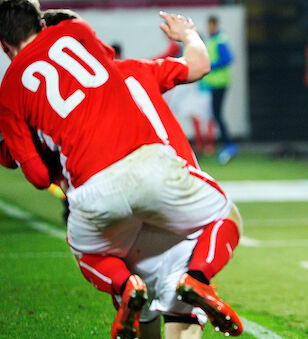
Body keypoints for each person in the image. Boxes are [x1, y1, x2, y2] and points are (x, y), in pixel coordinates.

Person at [0, 1, 242, 337]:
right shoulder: (132, 69)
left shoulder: (17, 93)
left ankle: (124, 285)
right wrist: (188, 34)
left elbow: (30, 168)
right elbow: (198, 65)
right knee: (219, 227)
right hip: (167, 189)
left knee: (105, 269)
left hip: (105, 210)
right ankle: (198, 279)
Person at [202, 15, 237, 164]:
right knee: (215, 114)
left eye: (211, 25)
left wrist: (211, 66)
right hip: (213, 83)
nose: (209, 27)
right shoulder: (212, 39)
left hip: (220, 82)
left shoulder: (220, 39)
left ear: (215, 25)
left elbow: (228, 58)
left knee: (217, 114)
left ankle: (228, 145)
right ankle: (226, 144)